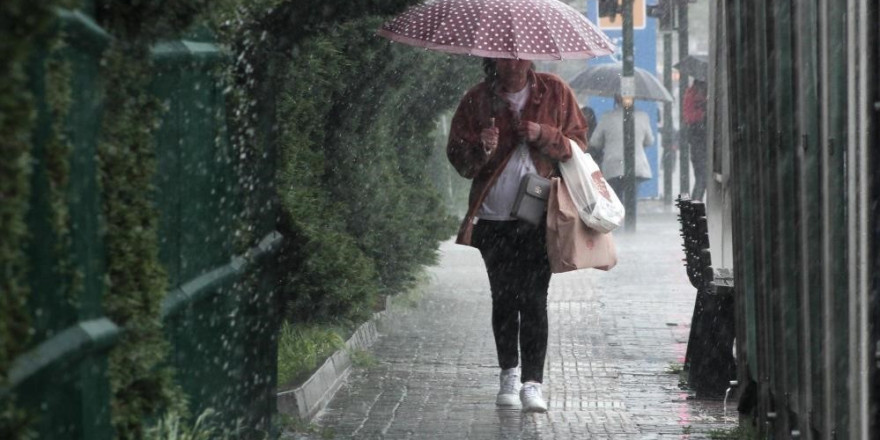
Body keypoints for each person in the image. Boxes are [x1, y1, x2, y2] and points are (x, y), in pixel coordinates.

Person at [446, 58, 587, 413]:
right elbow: (460, 161)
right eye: (505, 57)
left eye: (520, 55)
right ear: (492, 60)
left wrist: (545, 135)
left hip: (539, 216)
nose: (514, 63)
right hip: (493, 218)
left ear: (530, 57)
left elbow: (579, 146)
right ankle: (508, 373)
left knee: (534, 298)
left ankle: (532, 383)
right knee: (504, 298)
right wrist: (481, 147)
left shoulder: (554, 91)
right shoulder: (477, 99)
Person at [588, 94, 655, 200]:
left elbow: (595, 142)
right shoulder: (643, 116)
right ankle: (630, 215)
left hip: (613, 165)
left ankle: (620, 214)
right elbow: (650, 141)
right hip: (636, 165)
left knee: (616, 200)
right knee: (631, 200)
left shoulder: (607, 117)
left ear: (615, 100)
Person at [683, 79, 708, 200]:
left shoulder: (692, 94)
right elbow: (691, 117)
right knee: (702, 179)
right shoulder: (694, 96)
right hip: (700, 143)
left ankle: (694, 211)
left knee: (701, 179)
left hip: (697, 143)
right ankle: (694, 211)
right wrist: (704, 110)